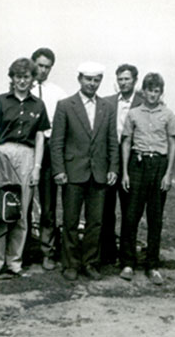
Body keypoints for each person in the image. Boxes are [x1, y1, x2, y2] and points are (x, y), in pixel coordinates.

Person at [50, 62, 119, 281]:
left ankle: (91, 263)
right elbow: (57, 141)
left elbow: (112, 140)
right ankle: (70, 263)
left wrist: (113, 168)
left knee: (95, 222)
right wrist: (59, 170)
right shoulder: (65, 105)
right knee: (70, 221)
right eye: (88, 79)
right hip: (72, 173)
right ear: (80, 79)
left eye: (96, 79)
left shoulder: (107, 107)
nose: (92, 83)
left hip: (98, 173)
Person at [0, 58, 51, 279]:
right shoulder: (1, 101)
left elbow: (40, 138)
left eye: (26, 77)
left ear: (32, 79)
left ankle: (14, 262)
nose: (22, 81)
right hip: (3, 155)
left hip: (27, 156)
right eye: (18, 77)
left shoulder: (38, 105)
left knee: (22, 212)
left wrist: (37, 167)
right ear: (12, 78)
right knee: (0, 211)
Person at [118, 73, 175, 285]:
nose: (152, 95)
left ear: (161, 92)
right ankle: (128, 262)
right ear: (143, 91)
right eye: (149, 90)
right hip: (137, 164)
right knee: (131, 216)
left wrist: (168, 173)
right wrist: (125, 172)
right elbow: (126, 143)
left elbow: (172, 144)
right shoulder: (133, 114)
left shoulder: (168, 114)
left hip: (159, 165)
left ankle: (152, 265)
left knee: (155, 219)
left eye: (156, 91)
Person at [101, 64, 143, 266]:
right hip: (110, 159)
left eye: (127, 79)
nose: (123, 83)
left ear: (135, 80)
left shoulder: (143, 102)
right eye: (120, 79)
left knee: (130, 211)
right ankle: (107, 252)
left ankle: (127, 257)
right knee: (106, 209)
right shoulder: (108, 103)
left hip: (133, 160)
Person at [29, 47, 67, 271]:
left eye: (47, 67)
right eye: (40, 65)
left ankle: (47, 251)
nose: (42, 70)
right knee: (21, 202)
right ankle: (21, 249)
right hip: (26, 148)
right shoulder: (21, 87)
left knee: (48, 204)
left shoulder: (58, 93)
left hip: (50, 149)